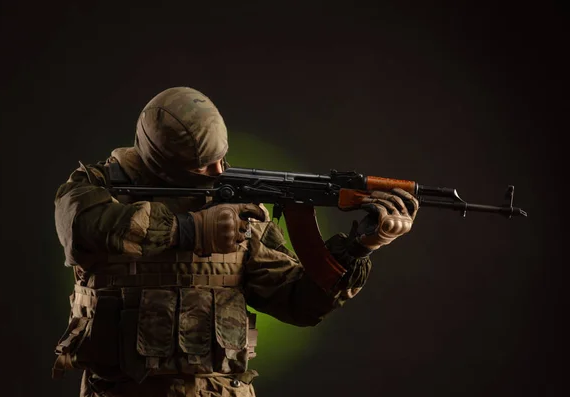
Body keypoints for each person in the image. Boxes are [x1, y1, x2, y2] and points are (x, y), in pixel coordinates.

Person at [52, 87, 419, 397]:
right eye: (203, 165)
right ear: (159, 160)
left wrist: (361, 245)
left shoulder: (235, 209)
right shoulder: (95, 190)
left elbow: (298, 302)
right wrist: (190, 230)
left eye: (220, 158)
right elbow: (85, 228)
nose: (219, 171)